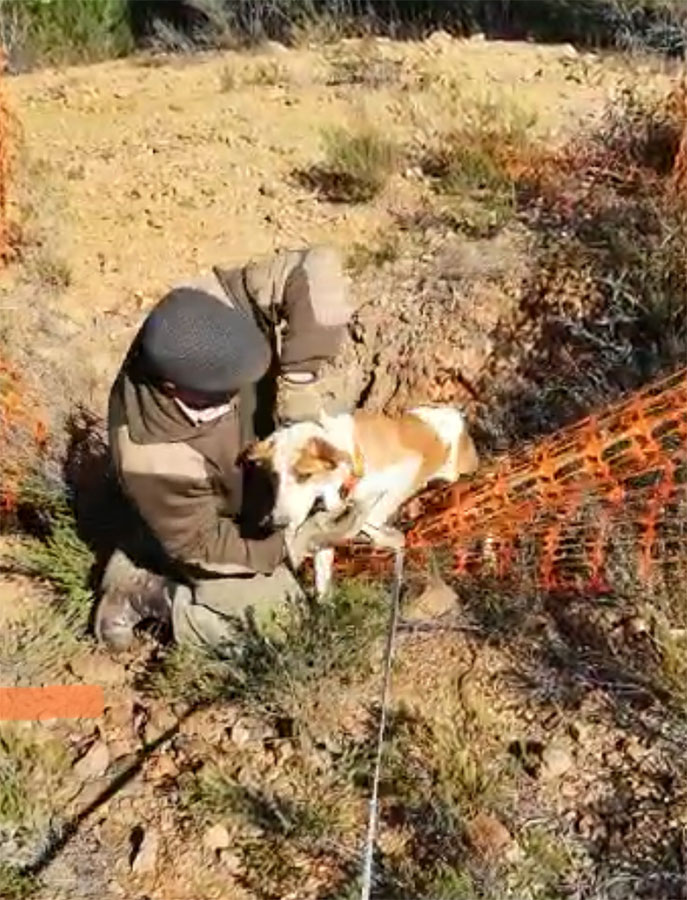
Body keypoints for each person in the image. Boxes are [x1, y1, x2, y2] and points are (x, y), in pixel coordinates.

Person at [94, 244, 367, 655]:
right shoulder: (154, 454)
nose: (239, 395)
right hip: (208, 528)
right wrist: (295, 543)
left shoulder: (212, 310)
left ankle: (146, 542)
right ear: (174, 388)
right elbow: (203, 544)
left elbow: (315, 268)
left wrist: (300, 379)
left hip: (236, 492)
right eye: (224, 394)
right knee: (280, 632)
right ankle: (143, 593)